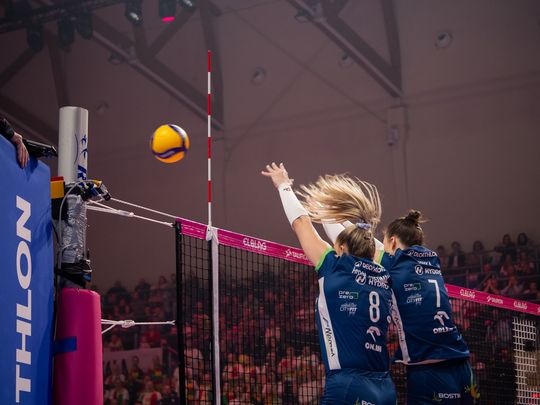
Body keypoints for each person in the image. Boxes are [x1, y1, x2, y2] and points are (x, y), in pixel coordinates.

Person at [262, 162, 396, 405]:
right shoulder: (384, 272)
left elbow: (302, 223)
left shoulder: (334, 266)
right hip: (385, 387)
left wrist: (283, 184)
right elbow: (363, 241)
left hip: (348, 384)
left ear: (341, 248)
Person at [380, 211, 478, 404]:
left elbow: (363, 247)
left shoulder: (393, 264)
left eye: (384, 243)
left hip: (429, 369)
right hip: (462, 366)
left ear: (392, 241)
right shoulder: (432, 259)